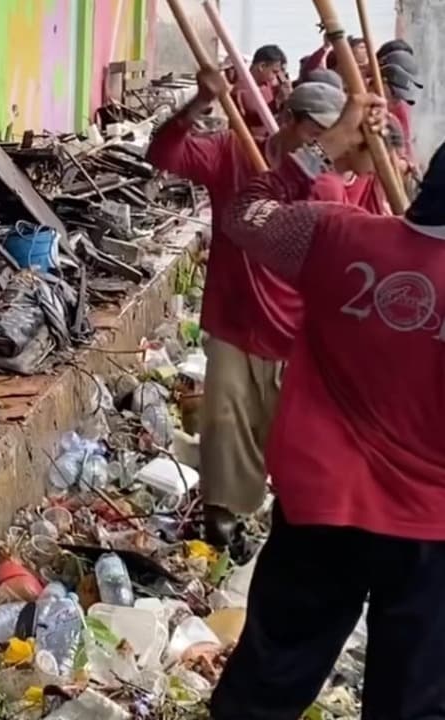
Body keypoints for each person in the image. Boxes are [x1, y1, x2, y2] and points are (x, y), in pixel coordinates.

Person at [210, 91, 445, 720]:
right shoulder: (338, 230)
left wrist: (323, 150)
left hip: (321, 507)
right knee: (415, 703)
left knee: (267, 683)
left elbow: (245, 213)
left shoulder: (335, 235)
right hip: (431, 530)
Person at [146, 74, 354, 544]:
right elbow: (163, 153)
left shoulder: (327, 187)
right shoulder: (234, 150)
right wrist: (200, 101)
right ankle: (222, 523)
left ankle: (295, 531)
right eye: (313, 130)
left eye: (329, 132)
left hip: (294, 336)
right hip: (235, 324)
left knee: (295, 446)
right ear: (285, 119)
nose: (321, 141)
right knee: (226, 434)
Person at [229, 44, 291, 140]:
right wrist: (277, 102)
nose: (275, 77)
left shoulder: (270, 85)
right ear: (262, 66)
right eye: (274, 72)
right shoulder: (241, 91)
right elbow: (257, 115)